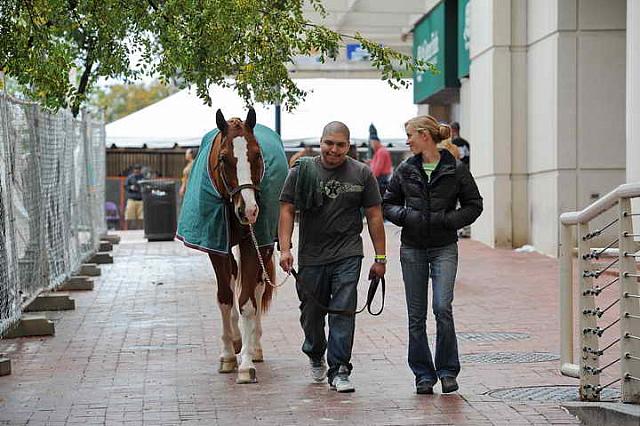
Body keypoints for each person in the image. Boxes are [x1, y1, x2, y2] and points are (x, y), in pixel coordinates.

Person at [278, 121, 386, 393]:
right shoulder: (302, 171)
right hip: (312, 255)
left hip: (348, 253)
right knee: (311, 313)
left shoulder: (362, 173)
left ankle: (340, 368)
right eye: (329, 143)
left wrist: (380, 257)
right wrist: (285, 248)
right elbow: (287, 209)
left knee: (342, 310)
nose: (334, 150)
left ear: (348, 145)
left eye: (340, 145)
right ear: (321, 141)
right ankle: (315, 352)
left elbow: (374, 215)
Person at [383, 115, 482, 395]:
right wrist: (408, 216)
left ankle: (448, 371)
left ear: (424, 135)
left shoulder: (455, 168)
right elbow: (388, 203)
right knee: (416, 316)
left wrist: (448, 220)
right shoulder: (405, 169)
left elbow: (474, 205)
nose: (407, 140)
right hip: (412, 248)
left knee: (442, 308)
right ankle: (423, 375)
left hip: (444, 247)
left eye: (410, 134)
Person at [366, 124, 393, 196]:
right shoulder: (380, 151)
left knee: (377, 197)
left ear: (375, 142)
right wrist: (371, 162)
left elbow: (378, 168)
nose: (371, 145)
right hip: (382, 177)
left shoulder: (381, 152)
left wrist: (371, 179)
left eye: (371, 143)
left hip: (381, 179)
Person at [124, 164, 145, 230]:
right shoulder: (130, 178)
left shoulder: (143, 178)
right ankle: (128, 229)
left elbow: (146, 186)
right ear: (133, 170)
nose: (137, 171)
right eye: (135, 169)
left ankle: (140, 229)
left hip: (140, 199)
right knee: (129, 216)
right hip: (131, 199)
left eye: (138, 169)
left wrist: (142, 188)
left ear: (140, 170)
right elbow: (125, 186)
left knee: (141, 217)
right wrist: (131, 187)